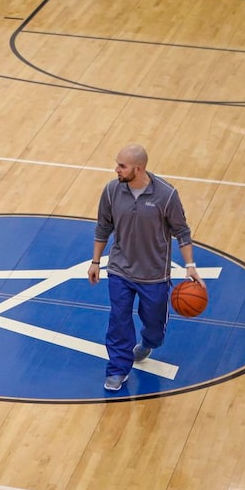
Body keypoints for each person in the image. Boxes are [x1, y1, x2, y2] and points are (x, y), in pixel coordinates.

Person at [87, 144, 206, 391]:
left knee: (154, 324)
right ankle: (118, 369)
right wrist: (96, 261)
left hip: (154, 275)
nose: (116, 169)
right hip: (120, 269)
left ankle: (150, 341)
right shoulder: (111, 191)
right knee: (118, 321)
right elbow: (102, 227)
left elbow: (181, 231)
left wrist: (190, 265)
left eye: (122, 165)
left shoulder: (166, 195)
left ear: (138, 168)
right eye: (117, 164)